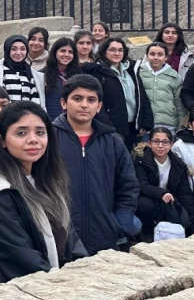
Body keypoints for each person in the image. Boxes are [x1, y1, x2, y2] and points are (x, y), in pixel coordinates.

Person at [0, 101, 83, 289]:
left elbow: (69, 238)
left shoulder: (46, 181)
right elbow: (23, 261)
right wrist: (67, 287)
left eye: (40, 132)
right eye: (21, 133)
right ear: (2, 140)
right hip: (10, 297)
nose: (33, 139)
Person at [52, 75, 139, 253]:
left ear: (99, 106)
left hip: (104, 236)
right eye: (77, 98)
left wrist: (120, 223)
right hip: (59, 237)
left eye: (91, 100)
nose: (84, 105)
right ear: (64, 103)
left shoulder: (113, 142)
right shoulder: (48, 139)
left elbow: (128, 186)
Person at [84, 37, 153, 146]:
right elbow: (96, 102)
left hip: (133, 127)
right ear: (104, 51)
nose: (117, 53)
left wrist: (145, 122)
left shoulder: (131, 70)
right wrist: (108, 127)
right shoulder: (97, 72)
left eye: (120, 50)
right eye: (112, 50)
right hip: (112, 128)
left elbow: (141, 96)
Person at [133, 128, 194, 240]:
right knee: (145, 204)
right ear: (149, 143)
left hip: (169, 202)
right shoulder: (141, 161)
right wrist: (161, 193)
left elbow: (185, 195)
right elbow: (142, 185)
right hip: (148, 200)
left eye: (165, 142)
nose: (160, 146)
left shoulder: (178, 164)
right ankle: (146, 235)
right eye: (156, 141)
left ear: (171, 145)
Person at [0, 35, 45, 105]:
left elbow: (35, 99)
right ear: (7, 50)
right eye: (14, 49)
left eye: (22, 49)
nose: (18, 53)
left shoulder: (30, 72)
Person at [139, 42, 184, 132]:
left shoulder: (174, 76)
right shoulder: (138, 73)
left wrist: (181, 127)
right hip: (144, 126)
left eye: (160, 54)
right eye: (152, 54)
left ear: (166, 57)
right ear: (147, 56)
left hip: (168, 125)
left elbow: (179, 104)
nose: (156, 57)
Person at [43, 37, 80, 119]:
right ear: (55, 52)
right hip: (50, 120)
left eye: (70, 52)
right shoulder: (43, 74)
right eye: (63, 51)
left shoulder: (79, 75)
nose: (66, 55)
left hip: (73, 121)